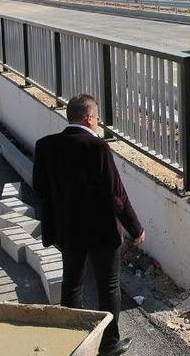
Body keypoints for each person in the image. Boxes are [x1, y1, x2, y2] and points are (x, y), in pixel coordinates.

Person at [33, 94, 145, 356]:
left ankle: (74, 341)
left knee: (72, 282)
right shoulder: (97, 148)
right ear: (90, 118)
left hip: (67, 230)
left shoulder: (45, 146)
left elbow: (40, 187)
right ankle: (108, 344)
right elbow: (116, 196)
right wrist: (136, 228)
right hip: (101, 233)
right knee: (108, 286)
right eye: (97, 119)